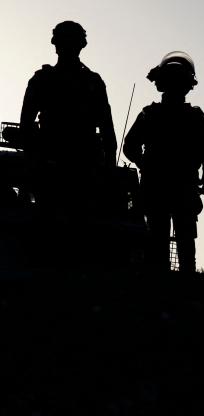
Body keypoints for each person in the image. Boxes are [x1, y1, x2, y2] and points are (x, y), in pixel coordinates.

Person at [19, 21, 118, 269]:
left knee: (55, 229)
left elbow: (26, 129)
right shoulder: (92, 82)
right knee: (75, 231)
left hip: (65, 166)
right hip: (73, 166)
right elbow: (108, 134)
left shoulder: (44, 80)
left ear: (55, 45)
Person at [123, 51, 204, 273]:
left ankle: (164, 282)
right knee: (179, 238)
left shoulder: (151, 114)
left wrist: (143, 162)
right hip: (177, 185)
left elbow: (130, 147)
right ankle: (179, 283)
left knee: (162, 235)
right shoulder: (192, 116)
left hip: (163, 185)